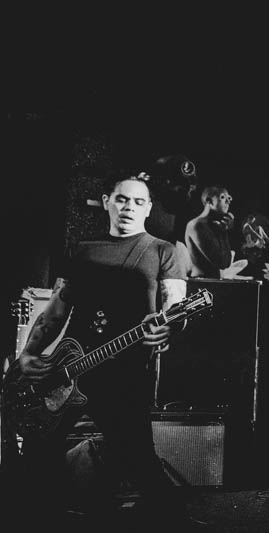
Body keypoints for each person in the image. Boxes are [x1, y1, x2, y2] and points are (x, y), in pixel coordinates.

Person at [11, 171, 199, 531]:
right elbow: (56, 310)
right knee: (37, 453)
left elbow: (176, 306)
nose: (129, 207)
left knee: (139, 460)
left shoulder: (163, 250)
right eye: (122, 199)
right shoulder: (82, 249)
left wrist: (169, 327)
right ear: (107, 202)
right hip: (69, 368)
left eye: (139, 201)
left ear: (149, 208)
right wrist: (29, 353)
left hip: (125, 373)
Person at [184, 185, 235, 278]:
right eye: (222, 197)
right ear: (209, 201)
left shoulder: (213, 226)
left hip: (212, 282)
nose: (228, 201)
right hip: (201, 283)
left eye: (229, 198)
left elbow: (227, 263)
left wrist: (224, 231)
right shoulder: (197, 225)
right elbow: (222, 263)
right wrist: (223, 233)